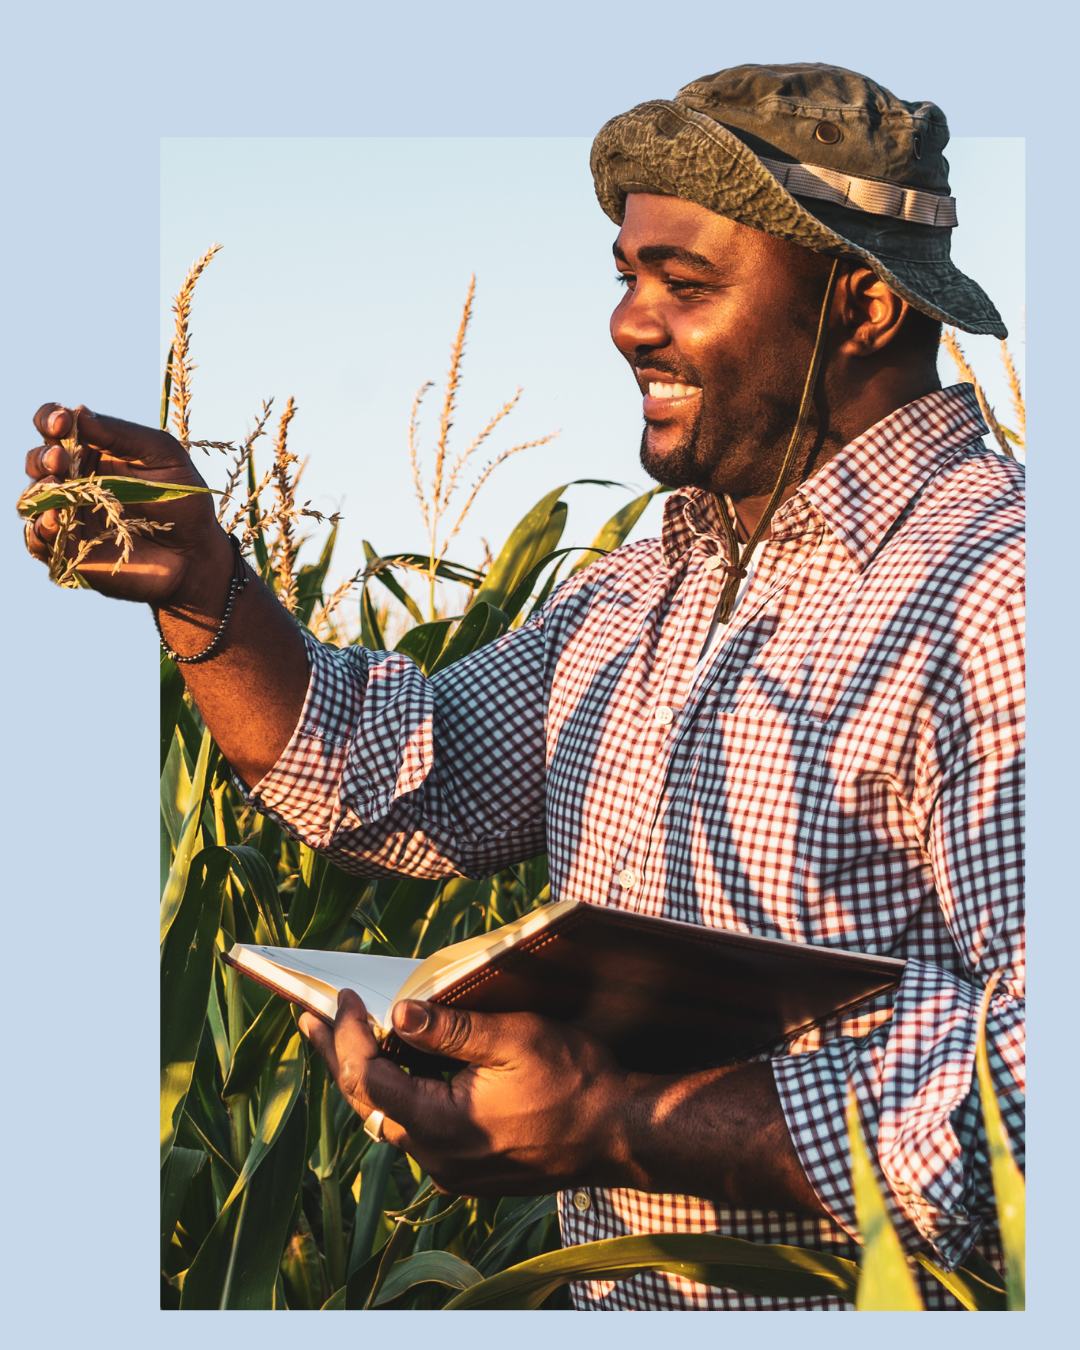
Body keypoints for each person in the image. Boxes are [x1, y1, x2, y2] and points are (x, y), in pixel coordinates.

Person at [21, 63, 1023, 1311]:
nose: (629, 322)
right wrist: (205, 588)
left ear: (865, 305)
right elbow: (400, 772)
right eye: (627, 274)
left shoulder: (1004, 595)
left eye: (686, 281)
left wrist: (622, 1118)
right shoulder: (639, 591)